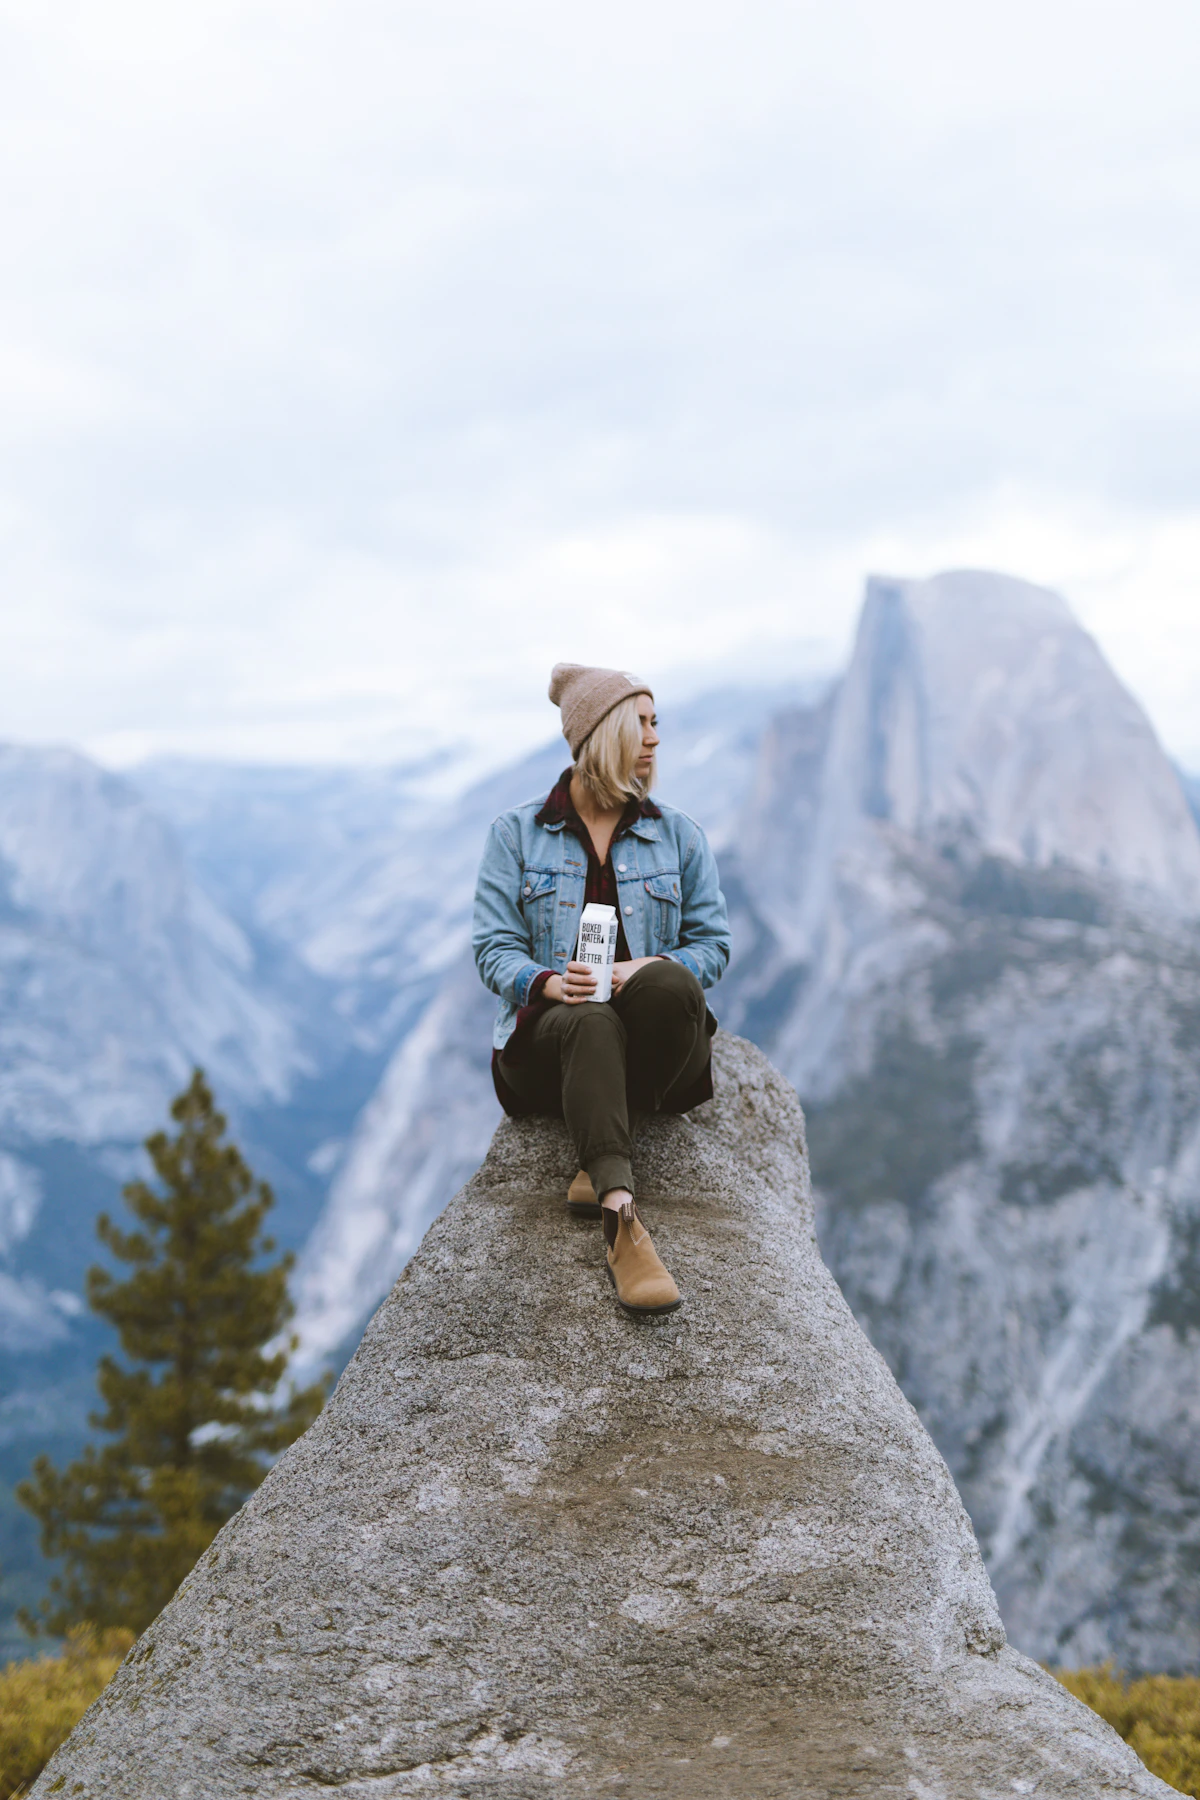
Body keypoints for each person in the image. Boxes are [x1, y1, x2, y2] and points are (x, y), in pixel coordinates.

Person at [472, 663, 731, 1318]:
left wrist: (635, 969)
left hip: (647, 1046)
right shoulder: (516, 835)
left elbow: (713, 946)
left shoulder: (678, 835)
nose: (654, 739)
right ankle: (622, 1218)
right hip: (550, 1045)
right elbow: (492, 948)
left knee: (672, 984)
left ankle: (605, 1132)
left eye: (656, 724)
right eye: (641, 724)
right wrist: (549, 983)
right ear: (603, 733)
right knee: (591, 1023)